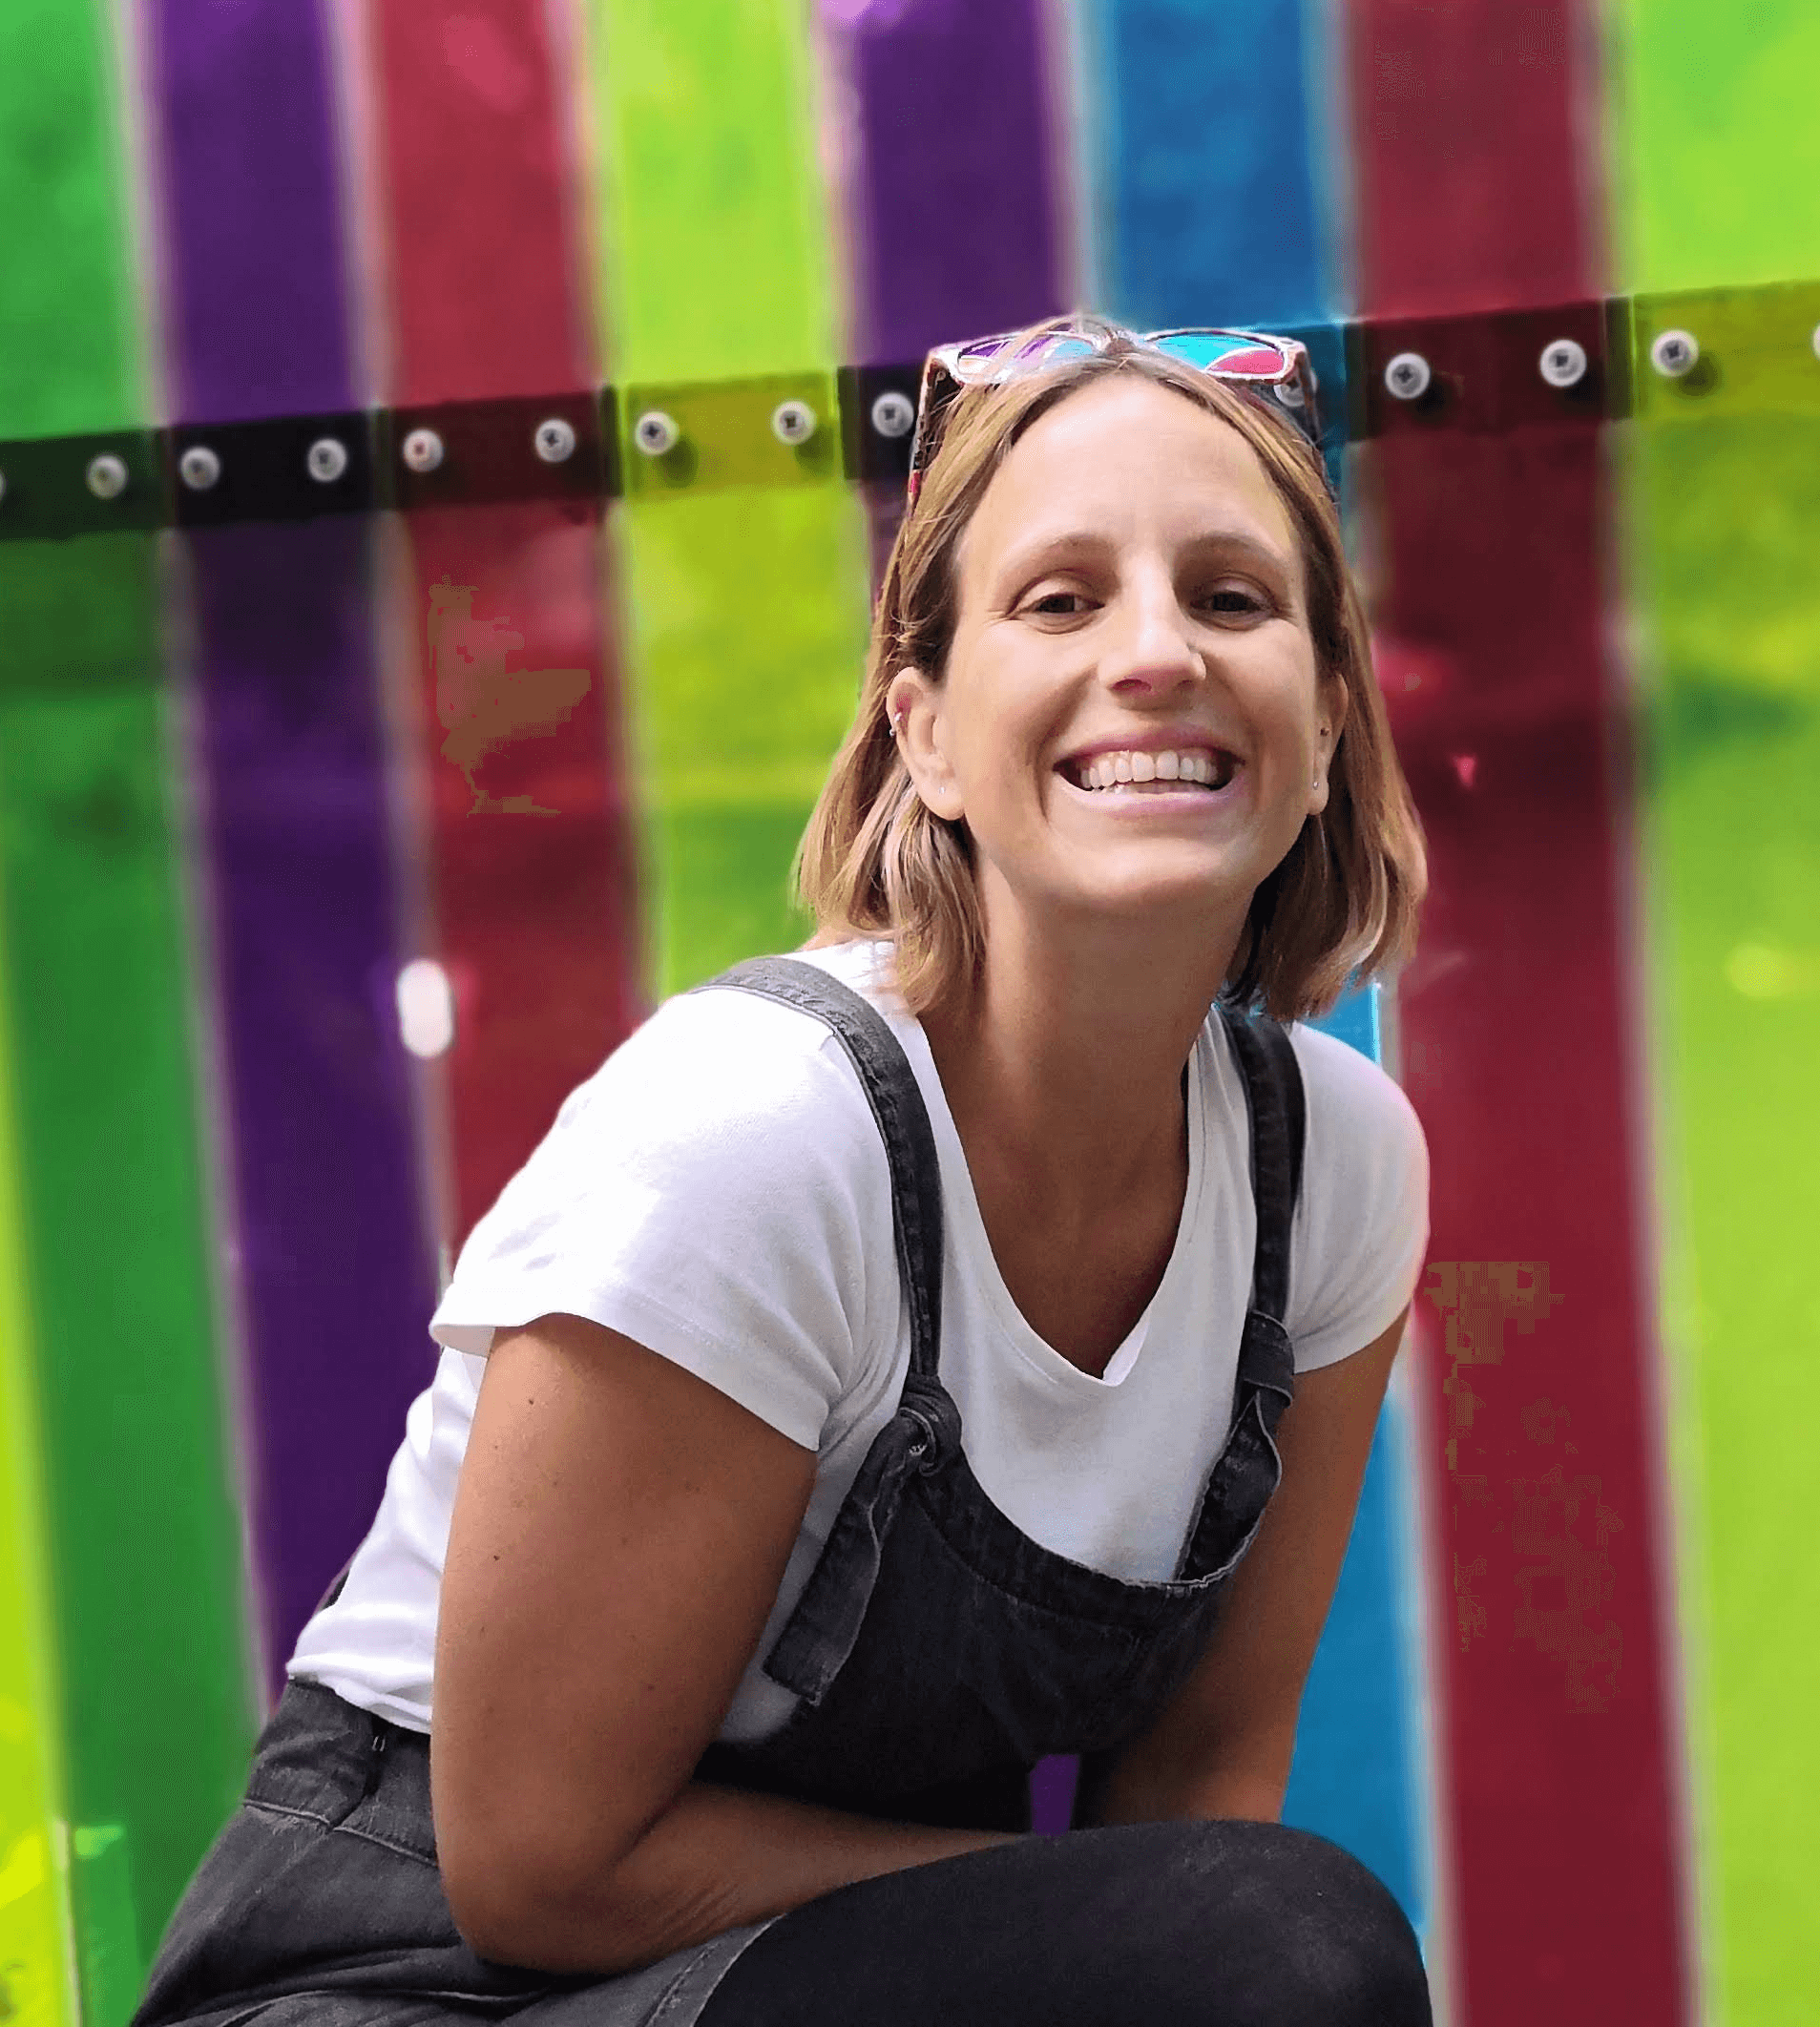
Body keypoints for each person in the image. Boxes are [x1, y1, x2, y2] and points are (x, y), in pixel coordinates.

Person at [133, 317, 1433, 2026]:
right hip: (404, 1981)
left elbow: (1190, 1796)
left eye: (1234, 598)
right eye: (1059, 600)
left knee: (1255, 1944)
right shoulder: (765, 1132)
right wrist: (1087, 1925)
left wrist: (1111, 1929)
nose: (1156, 655)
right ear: (930, 739)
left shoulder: (1329, 1175)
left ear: (1327, 726)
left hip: (786, 1976)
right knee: (1269, 1946)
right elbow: (538, 1862)